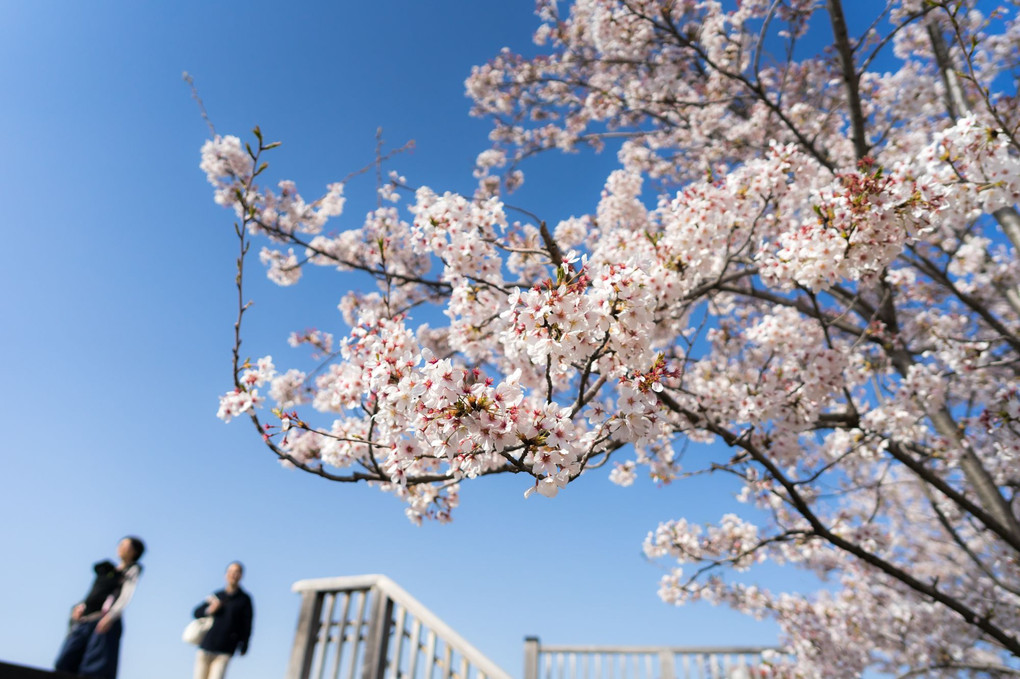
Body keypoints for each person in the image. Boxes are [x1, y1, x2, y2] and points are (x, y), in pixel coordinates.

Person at [55, 536, 145, 679]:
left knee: (95, 668)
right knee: (66, 661)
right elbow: (93, 592)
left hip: (103, 621)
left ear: (134, 551)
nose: (120, 547)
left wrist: (111, 616)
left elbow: (126, 595)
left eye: (125, 545)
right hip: (85, 620)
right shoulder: (106, 570)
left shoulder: (131, 570)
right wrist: (81, 606)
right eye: (120, 544)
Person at [192, 561, 254, 679]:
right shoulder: (218, 595)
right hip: (206, 646)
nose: (233, 575)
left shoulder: (244, 600)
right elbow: (196, 612)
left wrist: (244, 645)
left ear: (241, 575)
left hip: (225, 649)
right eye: (231, 572)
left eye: (237, 572)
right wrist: (210, 610)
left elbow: (247, 624)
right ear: (225, 574)